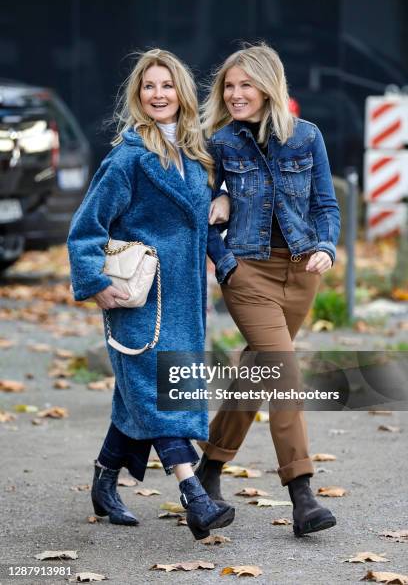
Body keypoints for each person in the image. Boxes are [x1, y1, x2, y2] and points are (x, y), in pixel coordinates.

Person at [67, 48, 234, 540]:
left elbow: (205, 214)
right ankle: (195, 498)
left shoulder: (196, 153)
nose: (157, 94)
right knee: (164, 398)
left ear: (182, 93)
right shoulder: (127, 159)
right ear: (137, 96)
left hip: (185, 301)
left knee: (140, 395)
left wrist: (221, 197)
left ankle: (103, 481)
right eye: (148, 87)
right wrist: (95, 283)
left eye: (166, 86)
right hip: (138, 301)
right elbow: (85, 229)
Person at [197, 43, 341, 537]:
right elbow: (202, 215)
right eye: (229, 86)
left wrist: (326, 245)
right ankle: (302, 494)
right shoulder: (217, 143)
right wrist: (226, 262)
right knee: (283, 371)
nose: (235, 95)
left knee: (258, 373)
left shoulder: (307, 138)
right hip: (249, 271)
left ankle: (209, 469)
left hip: (301, 271)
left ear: (268, 87)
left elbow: (327, 205)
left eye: (246, 85)